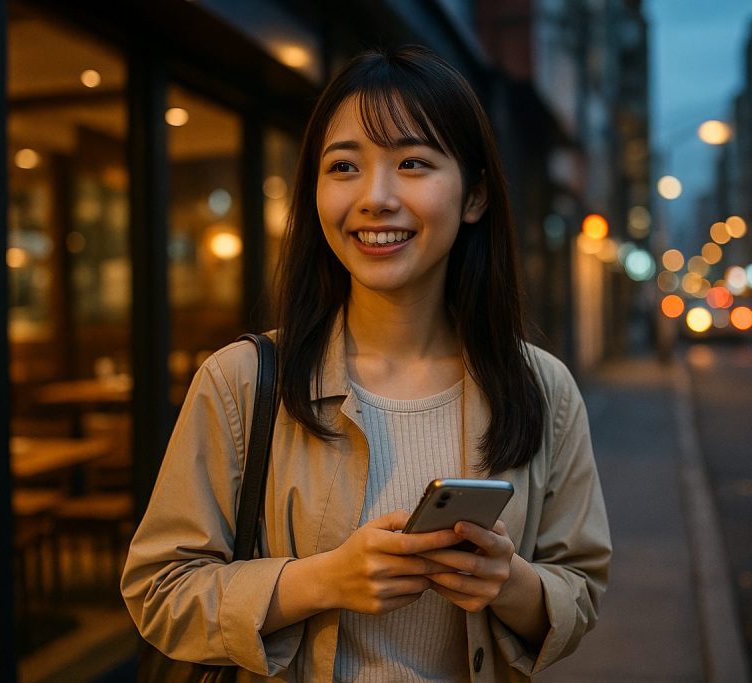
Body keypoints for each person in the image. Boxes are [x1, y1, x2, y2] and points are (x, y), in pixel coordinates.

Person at [122, 45, 611, 682]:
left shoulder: (541, 387)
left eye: (412, 163)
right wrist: (323, 580)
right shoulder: (240, 380)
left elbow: (579, 587)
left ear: (474, 196)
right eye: (344, 166)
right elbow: (159, 591)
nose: (375, 198)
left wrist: (506, 581)